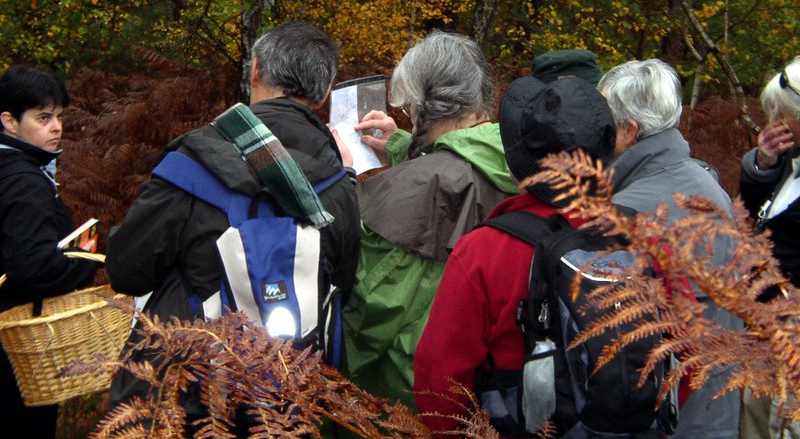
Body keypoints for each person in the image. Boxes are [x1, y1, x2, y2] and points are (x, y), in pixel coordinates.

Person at [106, 22, 360, 418]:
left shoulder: (192, 163)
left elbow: (128, 271)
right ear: (325, 92)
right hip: (285, 400)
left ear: (255, 70)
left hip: (182, 394)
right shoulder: (337, 184)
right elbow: (343, 284)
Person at [414, 75, 618, 435]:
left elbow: (440, 381)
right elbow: (685, 363)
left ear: (517, 166)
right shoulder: (648, 242)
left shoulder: (484, 251)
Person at [341, 30, 516, 408]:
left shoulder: (419, 188)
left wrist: (344, 182)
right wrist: (405, 146)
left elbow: (371, 311)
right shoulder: (516, 158)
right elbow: (460, 170)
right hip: (488, 384)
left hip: (408, 390)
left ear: (422, 105)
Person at [597, 58, 740, 439]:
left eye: (602, 121)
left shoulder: (631, 209)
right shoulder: (707, 185)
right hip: (717, 409)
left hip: (671, 419)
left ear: (629, 131)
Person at [0, 65, 97, 438]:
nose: (56, 126)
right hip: (17, 347)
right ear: (9, 121)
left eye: (58, 116)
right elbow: (32, 265)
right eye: (43, 117)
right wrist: (82, 261)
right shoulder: (24, 180)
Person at [739, 57, 800, 438]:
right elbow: (755, 210)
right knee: (756, 415)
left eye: (782, 114)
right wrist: (762, 163)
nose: (774, 123)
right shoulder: (790, 159)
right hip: (767, 320)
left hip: (790, 327)